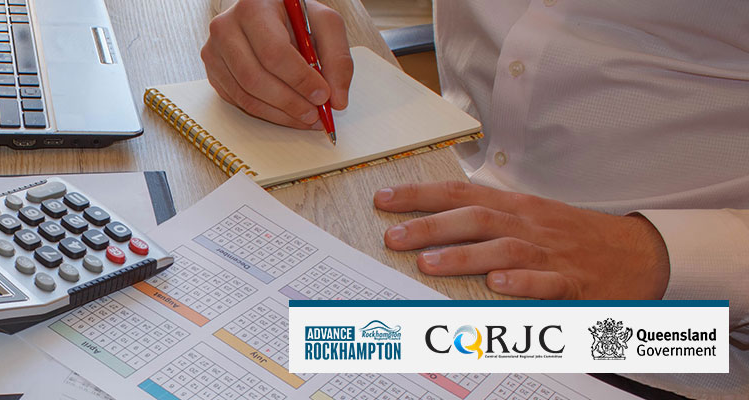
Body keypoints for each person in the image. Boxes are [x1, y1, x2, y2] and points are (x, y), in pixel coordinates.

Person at [202, 0, 749, 397]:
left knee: (293, 347)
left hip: (681, 326)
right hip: (441, 202)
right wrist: (267, 20)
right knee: (245, 341)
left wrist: (650, 253)